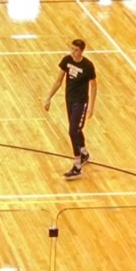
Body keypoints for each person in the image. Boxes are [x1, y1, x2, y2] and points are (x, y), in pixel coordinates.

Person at [45, 38, 98, 178]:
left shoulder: (88, 66)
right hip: (69, 100)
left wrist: (91, 106)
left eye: (75, 50)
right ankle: (84, 153)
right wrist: (49, 97)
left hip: (81, 102)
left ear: (81, 51)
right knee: (76, 129)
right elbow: (58, 81)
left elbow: (93, 85)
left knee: (73, 131)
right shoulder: (67, 60)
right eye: (72, 49)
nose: (72, 52)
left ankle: (77, 165)